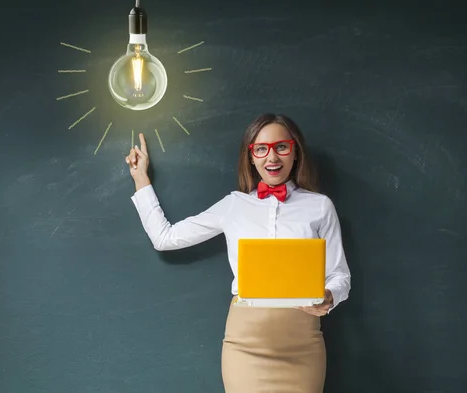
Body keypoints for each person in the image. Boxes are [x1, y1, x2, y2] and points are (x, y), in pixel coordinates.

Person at [124, 113, 351, 393]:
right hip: (246, 344)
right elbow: (165, 238)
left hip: (303, 343)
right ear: (251, 157)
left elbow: (339, 274)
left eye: (281, 147)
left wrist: (330, 296)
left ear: (295, 152)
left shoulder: (320, 206)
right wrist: (140, 179)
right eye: (261, 149)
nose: (272, 157)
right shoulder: (234, 205)